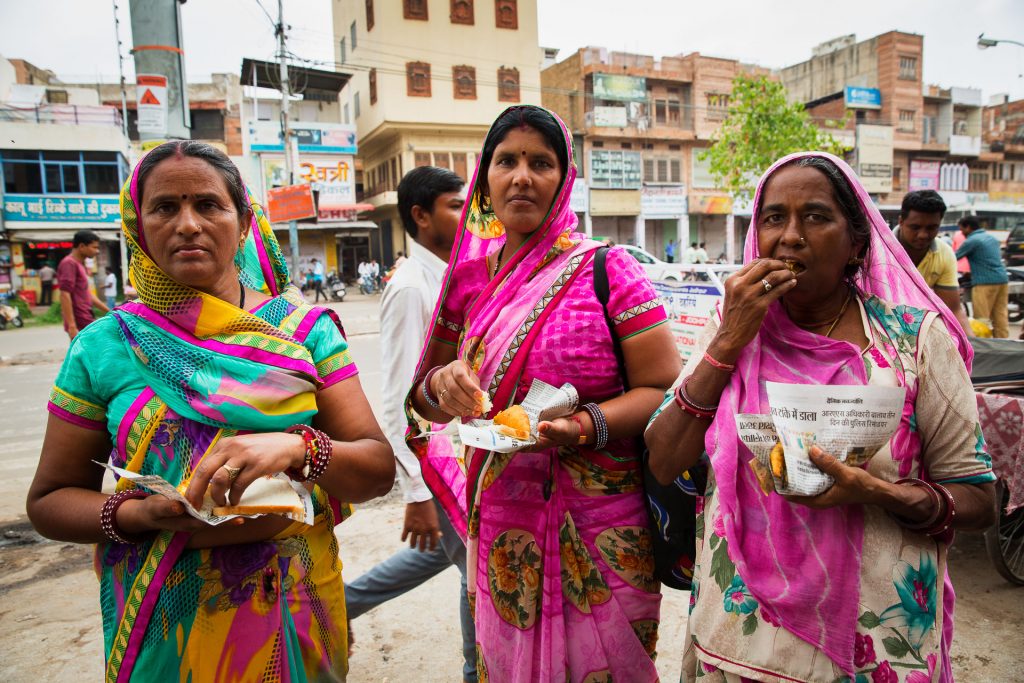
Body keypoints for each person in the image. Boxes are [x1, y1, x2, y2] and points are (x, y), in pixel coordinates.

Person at [26, 140, 395, 682]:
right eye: (165, 207)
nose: (188, 224)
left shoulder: (304, 333)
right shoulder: (105, 346)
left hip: (290, 607)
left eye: (208, 205)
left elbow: (375, 469)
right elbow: (49, 501)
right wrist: (137, 513)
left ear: (244, 222)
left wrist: (297, 448)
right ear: (137, 225)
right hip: (164, 620)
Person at [646, 152, 996, 682]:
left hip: (875, 647)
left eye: (815, 216)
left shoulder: (913, 342)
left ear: (857, 244)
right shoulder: (732, 329)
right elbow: (665, 457)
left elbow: (979, 499)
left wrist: (877, 492)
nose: (790, 236)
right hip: (743, 643)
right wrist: (729, 341)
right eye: (773, 218)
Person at [406, 105, 681, 681]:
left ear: (565, 178)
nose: (522, 176)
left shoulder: (608, 269)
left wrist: (582, 427)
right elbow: (422, 403)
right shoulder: (467, 279)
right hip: (505, 521)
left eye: (541, 162)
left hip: (604, 523)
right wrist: (440, 384)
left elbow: (661, 388)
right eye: (506, 161)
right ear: (485, 178)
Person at [344, 166, 476, 681]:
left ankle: (342, 602)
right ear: (420, 216)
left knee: (449, 554)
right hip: (437, 464)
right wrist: (418, 491)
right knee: (477, 574)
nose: (465, 213)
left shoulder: (450, 275)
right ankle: (476, 670)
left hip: (460, 456)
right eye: (452, 205)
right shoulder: (409, 287)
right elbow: (399, 393)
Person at [894, 190, 972, 334]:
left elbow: (953, 309)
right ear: (901, 221)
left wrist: (971, 346)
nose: (923, 235)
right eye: (915, 227)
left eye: (931, 228)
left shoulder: (944, 254)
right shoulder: (877, 248)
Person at [956, 216, 1009, 338]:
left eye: (962, 229)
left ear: (968, 227)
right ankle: (1002, 344)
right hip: (1002, 279)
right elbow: (987, 259)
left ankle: (983, 347)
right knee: (1000, 315)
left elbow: (952, 258)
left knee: (982, 318)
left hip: (984, 282)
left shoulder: (972, 240)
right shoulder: (992, 238)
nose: (962, 233)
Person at [58, 230, 109, 340]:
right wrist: (72, 325)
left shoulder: (80, 264)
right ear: (81, 246)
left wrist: (110, 311)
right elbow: (64, 294)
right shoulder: (69, 263)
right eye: (94, 247)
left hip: (86, 317)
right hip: (79, 321)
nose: (97, 251)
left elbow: (88, 294)